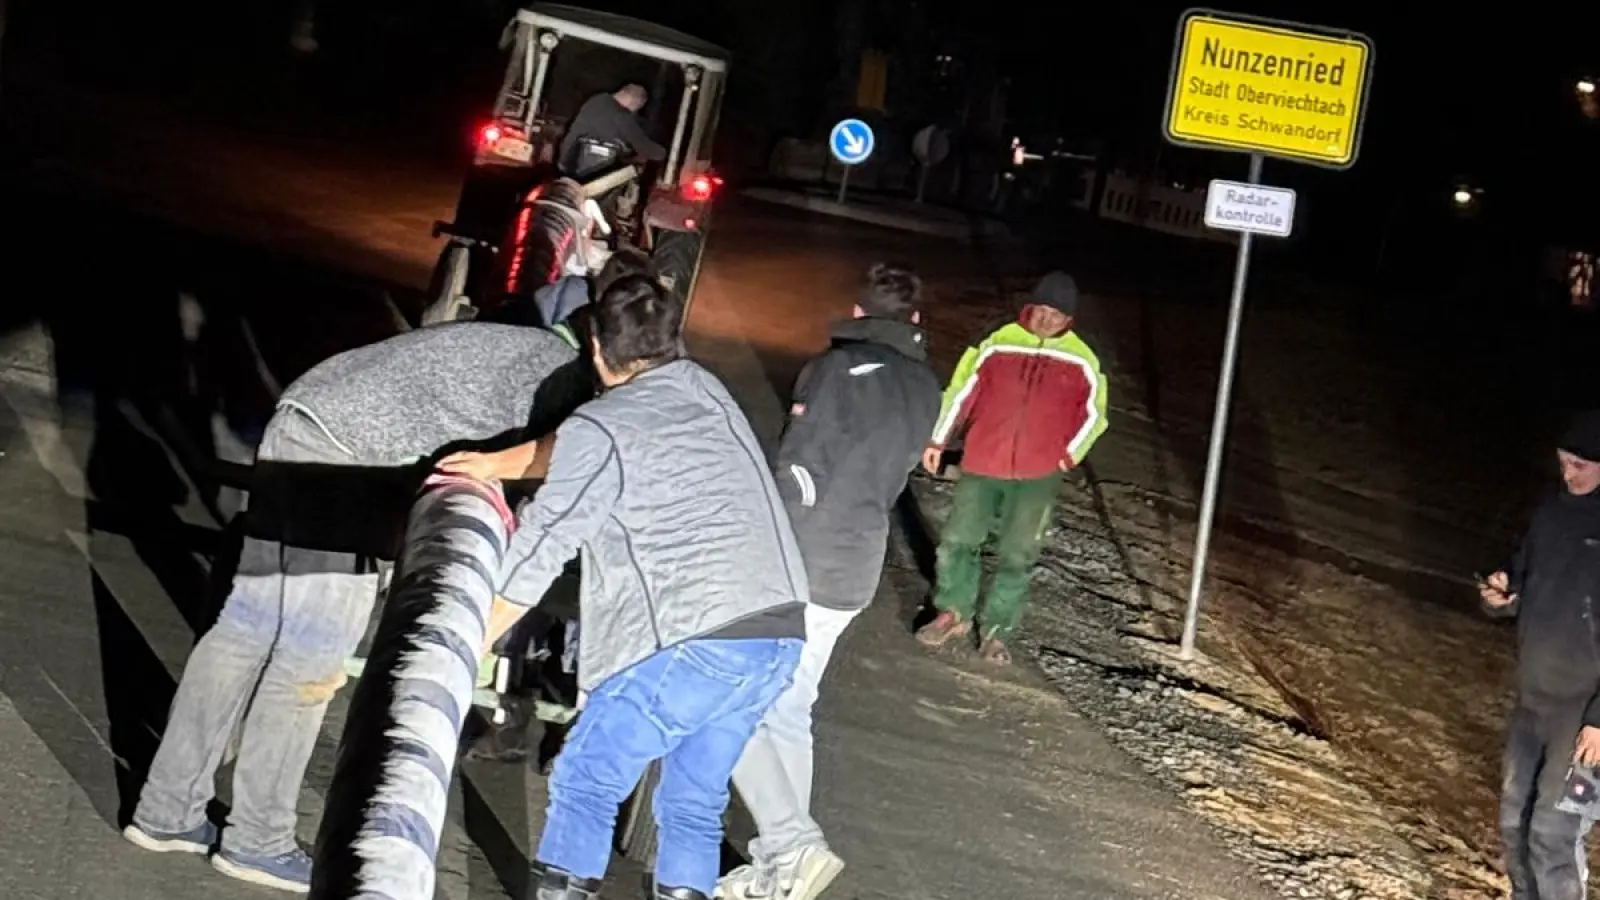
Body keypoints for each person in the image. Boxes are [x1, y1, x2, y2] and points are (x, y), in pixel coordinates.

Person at [122, 323, 589, 893]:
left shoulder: (534, 347)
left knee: (243, 631)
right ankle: (256, 840)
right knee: (309, 663)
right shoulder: (566, 384)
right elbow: (552, 463)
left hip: (302, 421)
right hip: (345, 463)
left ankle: (166, 811)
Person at [439, 276, 807, 900]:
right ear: (671, 340)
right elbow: (590, 443)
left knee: (586, 778)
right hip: (775, 632)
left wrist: (465, 645)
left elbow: (542, 547)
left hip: (695, 638)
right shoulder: (703, 388)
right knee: (692, 804)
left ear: (593, 344)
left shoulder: (602, 425)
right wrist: (497, 463)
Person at [717, 264, 942, 900]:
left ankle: (792, 847)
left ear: (858, 312)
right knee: (791, 708)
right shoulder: (926, 386)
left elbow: (798, 469)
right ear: (915, 321)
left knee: (731, 701)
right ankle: (779, 867)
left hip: (802, 556)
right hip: (857, 563)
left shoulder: (835, 369)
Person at [914, 271, 1109, 665]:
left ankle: (997, 631)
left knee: (1018, 555)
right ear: (1029, 308)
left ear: (1069, 319)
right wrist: (938, 439)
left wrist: (1065, 457)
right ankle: (953, 612)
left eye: (1057, 315)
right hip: (983, 461)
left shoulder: (1083, 359)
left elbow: (1095, 417)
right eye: (1042, 311)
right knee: (958, 541)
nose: (1047, 320)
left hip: (1038, 475)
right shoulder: (996, 342)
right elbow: (961, 391)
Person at [1481, 410, 1600, 900]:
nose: (1568, 473)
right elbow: (1522, 581)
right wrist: (1500, 596)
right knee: (1515, 824)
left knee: (1553, 835)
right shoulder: (1550, 515)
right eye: (1563, 462)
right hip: (1532, 701)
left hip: (1583, 717)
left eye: (1580, 465)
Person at [559, 84, 666, 178]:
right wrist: (664, 153)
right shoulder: (622, 116)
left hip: (567, 162)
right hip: (597, 175)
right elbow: (642, 145)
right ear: (635, 102)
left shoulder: (596, 100)